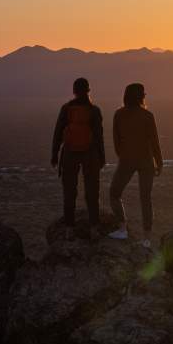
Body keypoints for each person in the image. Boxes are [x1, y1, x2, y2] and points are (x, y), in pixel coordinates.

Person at [108, 83, 163, 249]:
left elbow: (116, 141)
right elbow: (155, 142)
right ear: (141, 97)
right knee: (145, 198)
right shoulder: (147, 115)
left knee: (114, 193)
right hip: (146, 161)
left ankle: (122, 228)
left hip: (127, 160)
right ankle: (147, 238)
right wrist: (159, 162)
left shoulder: (119, 114)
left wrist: (123, 156)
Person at [51, 77, 105, 241]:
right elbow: (98, 136)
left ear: (74, 91)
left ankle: (69, 229)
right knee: (92, 192)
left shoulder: (66, 109)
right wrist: (101, 157)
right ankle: (94, 228)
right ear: (88, 91)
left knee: (69, 191)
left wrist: (54, 153)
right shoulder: (94, 110)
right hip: (90, 154)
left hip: (69, 153)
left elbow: (58, 132)